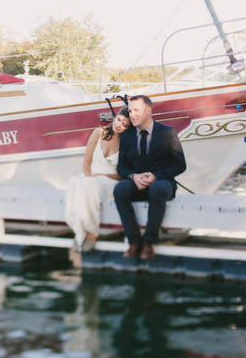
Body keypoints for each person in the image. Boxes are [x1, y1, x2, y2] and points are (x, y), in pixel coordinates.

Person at [113, 94, 186, 261]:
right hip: (137, 184)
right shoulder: (126, 136)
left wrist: (156, 176)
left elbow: (180, 164)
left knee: (158, 188)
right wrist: (133, 176)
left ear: (148, 111)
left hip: (162, 183)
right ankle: (134, 242)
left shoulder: (168, 132)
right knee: (120, 190)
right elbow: (121, 167)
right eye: (130, 111)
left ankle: (148, 242)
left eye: (136, 110)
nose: (132, 115)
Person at [65, 107, 131, 252]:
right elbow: (87, 161)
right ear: (115, 117)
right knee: (75, 182)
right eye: (119, 120)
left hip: (110, 180)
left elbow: (123, 175)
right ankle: (79, 231)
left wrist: (101, 177)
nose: (119, 125)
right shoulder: (98, 132)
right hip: (91, 176)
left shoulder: (126, 144)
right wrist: (88, 177)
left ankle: (92, 231)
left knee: (91, 187)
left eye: (125, 124)